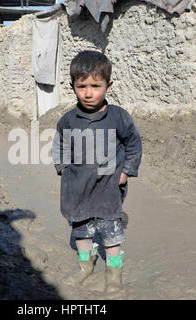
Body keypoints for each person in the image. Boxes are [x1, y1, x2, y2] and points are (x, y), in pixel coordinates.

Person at [52, 50, 142, 293]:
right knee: (81, 231)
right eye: (81, 86)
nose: (88, 93)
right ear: (73, 85)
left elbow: (134, 144)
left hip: (108, 188)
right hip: (78, 188)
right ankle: (86, 266)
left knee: (112, 235)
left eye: (95, 85)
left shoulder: (119, 118)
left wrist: (126, 172)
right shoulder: (68, 121)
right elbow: (59, 144)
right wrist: (62, 167)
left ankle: (114, 275)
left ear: (108, 85)